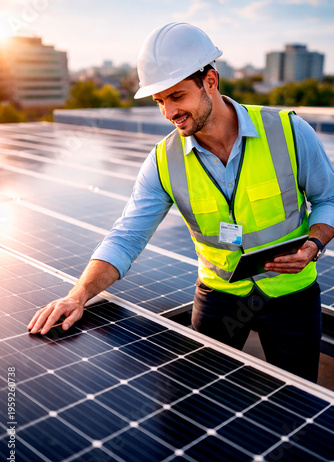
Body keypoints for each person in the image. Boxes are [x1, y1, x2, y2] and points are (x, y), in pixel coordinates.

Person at [28, 22, 334, 383]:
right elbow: (127, 236)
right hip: (219, 297)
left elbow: (328, 199)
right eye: (160, 102)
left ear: (210, 81)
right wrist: (78, 295)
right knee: (201, 398)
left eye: (177, 96)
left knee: (296, 402)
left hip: (291, 296)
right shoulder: (163, 161)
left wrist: (314, 244)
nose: (169, 113)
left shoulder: (289, 132)